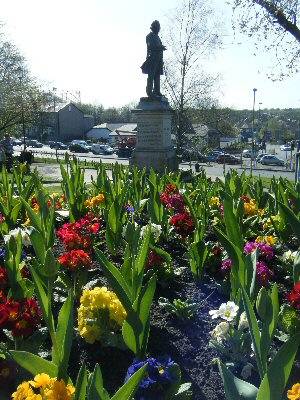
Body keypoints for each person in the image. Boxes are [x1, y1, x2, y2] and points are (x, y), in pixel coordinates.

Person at [141, 20, 166, 98]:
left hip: (158, 59)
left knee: (157, 75)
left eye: (159, 27)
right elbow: (151, 46)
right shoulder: (149, 36)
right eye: (157, 27)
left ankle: (157, 91)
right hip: (152, 58)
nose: (159, 29)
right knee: (151, 75)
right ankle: (149, 92)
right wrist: (160, 47)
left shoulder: (157, 37)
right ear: (154, 28)